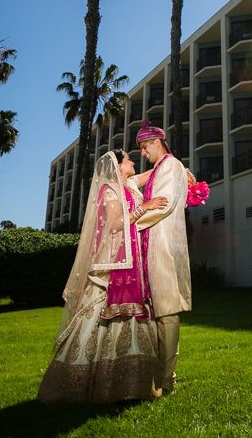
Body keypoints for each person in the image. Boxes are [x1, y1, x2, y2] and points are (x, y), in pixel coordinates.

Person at [37, 150, 169, 403]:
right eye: (128, 159)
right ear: (118, 166)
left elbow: (152, 172)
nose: (133, 161)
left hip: (133, 261)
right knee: (100, 315)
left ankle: (133, 384)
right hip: (115, 264)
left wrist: (176, 169)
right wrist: (146, 207)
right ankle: (82, 382)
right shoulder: (110, 189)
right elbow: (116, 223)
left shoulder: (127, 184)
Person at [132, 119, 191, 396]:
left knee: (167, 315)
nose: (143, 153)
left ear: (157, 143)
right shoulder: (161, 167)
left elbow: (163, 206)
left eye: (145, 147)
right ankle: (157, 377)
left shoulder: (170, 166)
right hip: (151, 244)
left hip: (163, 246)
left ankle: (167, 380)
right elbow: (128, 181)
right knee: (156, 315)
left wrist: (130, 224)